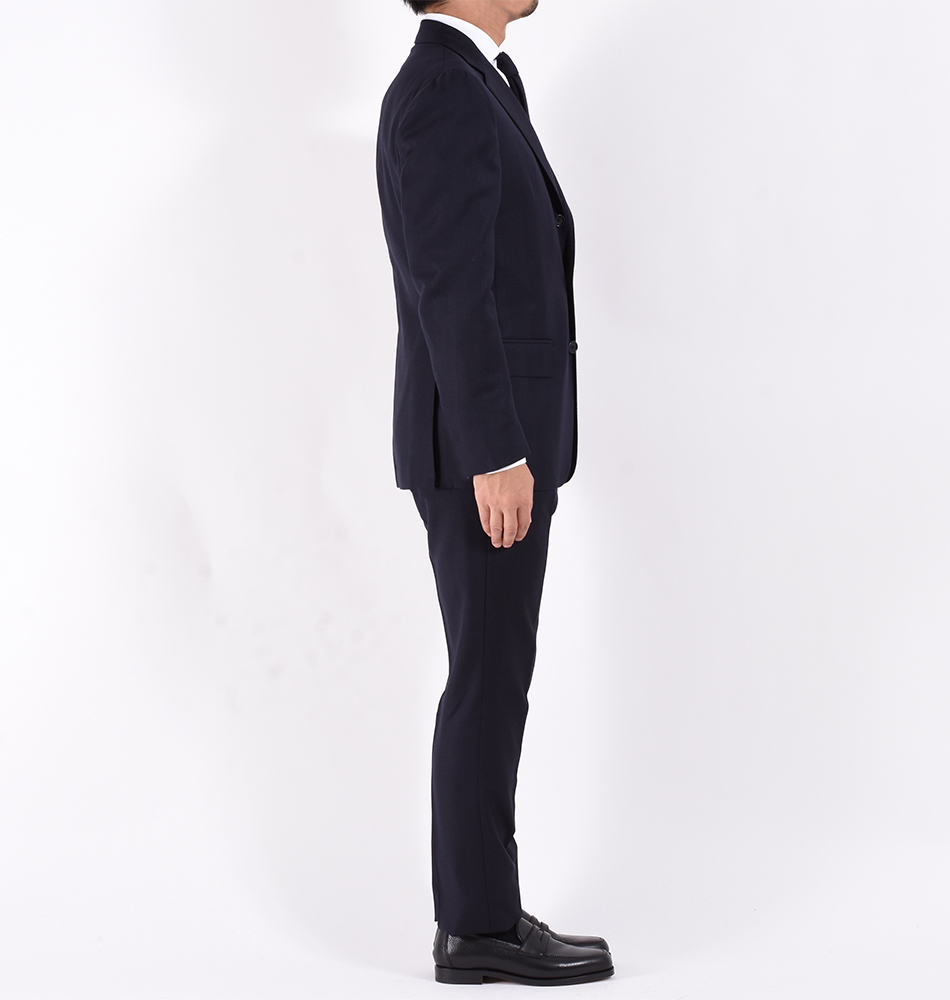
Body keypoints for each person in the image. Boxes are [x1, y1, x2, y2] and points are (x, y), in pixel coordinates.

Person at [376, 0, 613, 986]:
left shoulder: (474, 79)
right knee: (487, 678)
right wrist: (495, 453)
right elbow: (451, 289)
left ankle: (482, 912)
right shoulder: (444, 88)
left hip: (494, 445)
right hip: (485, 456)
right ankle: (478, 927)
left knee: (494, 675)